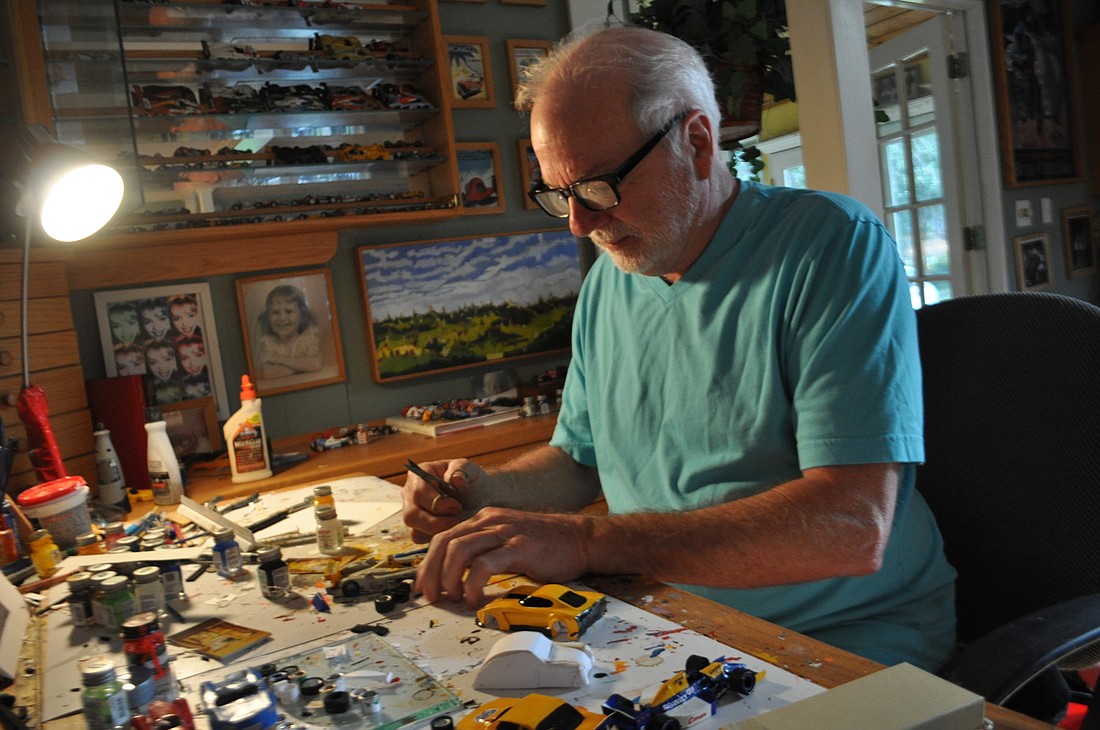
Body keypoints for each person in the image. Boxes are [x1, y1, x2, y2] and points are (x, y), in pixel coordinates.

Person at [402, 26, 957, 673]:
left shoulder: (832, 245)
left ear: (696, 141)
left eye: (600, 186)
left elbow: (851, 525)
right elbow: (581, 461)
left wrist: (588, 541)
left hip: (844, 635)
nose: (580, 223)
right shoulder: (615, 278)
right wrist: (486, 493)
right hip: (673, 622)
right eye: (561, 194)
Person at [256, 284, 323, 379]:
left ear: (302, 315)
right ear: (268, 317)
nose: (282, 318)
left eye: (288, 311)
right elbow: (266, 373)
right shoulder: (268, 342)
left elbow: (316, 364)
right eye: (275, 313)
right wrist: (303, 366)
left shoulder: (308, 337)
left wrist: (277, 358)